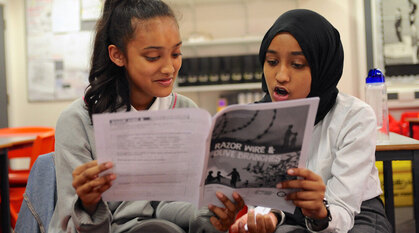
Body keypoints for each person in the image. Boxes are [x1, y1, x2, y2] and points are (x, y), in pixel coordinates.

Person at [49, 1, 243, 232]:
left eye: (176, 53)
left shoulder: (185, 111)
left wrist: (211, 214)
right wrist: (89, 206)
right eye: (153, 57)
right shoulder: (78, 121)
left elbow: (170, 207)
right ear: (118, 55)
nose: (169, 68)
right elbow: (69, 227)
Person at [230, 9, 392, 233]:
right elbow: (261, 196)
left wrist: (319, 212)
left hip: (353, 214)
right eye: (272, 61)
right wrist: (263, 215)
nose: (281, 75)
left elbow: (343, 208)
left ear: (321, 67)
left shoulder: (354, 117)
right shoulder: (255, 119)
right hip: (284, 214)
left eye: (297, 64)